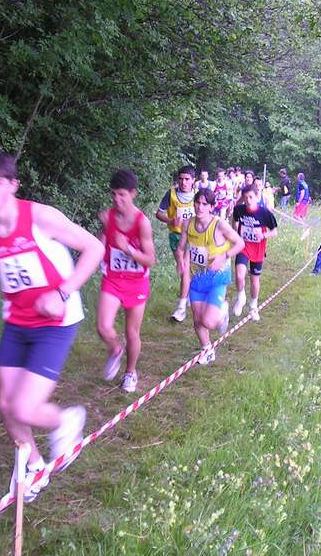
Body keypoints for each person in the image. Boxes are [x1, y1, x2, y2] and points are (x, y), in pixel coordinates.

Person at [0, 149, 104, 502]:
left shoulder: (40, 217)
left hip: (55, 320)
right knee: (7, 406)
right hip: (17, 321)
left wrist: (62, 293)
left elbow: (94, 248)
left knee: (24, 407)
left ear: (13, 185)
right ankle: (35, 466)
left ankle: (66, 420)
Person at [97, 169, 156, 394]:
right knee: (103, 326)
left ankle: (130, 372)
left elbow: (150, 260)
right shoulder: (107, 217)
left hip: (136, 281)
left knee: (132, 332)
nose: (117, 199)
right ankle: (115, 349)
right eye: (113, 194)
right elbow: (100, 244)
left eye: (122, 194)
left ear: (133, 193)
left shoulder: (142, 223)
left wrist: (128, 249)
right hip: (113, 278)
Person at [177, 188, 245, 365]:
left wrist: (224, 256)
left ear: (211, 207)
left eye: (204, 204)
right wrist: (180, 260)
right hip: (197, 279)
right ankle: (207, 350)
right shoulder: (188, 223)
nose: (200, 207)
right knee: (197, 320)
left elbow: (240, 243)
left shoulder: (219, 225)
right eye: (197, 203)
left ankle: (223, 311)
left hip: (217, 279)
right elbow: (181, 247)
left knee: (208, 322)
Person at [232, 184, 278, 321]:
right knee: (239, 274)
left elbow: (274, 232)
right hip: (243, 246)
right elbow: (234, 221)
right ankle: (241, 297)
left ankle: (253, 306)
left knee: (254, 279)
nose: (248, 200)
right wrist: (236, 234)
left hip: (258, 249)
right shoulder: (239, 209)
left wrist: (263, 235)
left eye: (251, 197)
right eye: (245, 198)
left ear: (257, 197)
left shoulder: (264, 213)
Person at [155, 165, 195, 322]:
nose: (183, 182)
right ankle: (188, 297)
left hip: (194, 237)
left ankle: (181, 307)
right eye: (181, 179)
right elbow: (158, 214)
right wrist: (171, 220)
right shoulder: (171, 194)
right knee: (184, 269)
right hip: (176, 236)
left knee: (186, 269)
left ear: (193, 180)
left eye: (187, 179)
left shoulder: (198, 194)